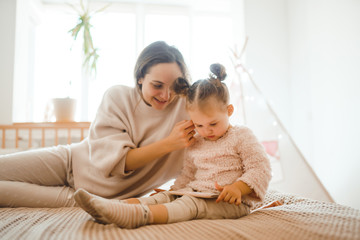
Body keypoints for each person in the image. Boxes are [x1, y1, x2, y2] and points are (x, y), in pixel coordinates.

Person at [73, 63, 273, 229]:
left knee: (190, 205)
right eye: (198, 125)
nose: (206, 131)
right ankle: (111, 208)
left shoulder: (242, 136)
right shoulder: (197, 141)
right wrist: (173, 190)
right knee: (165, 198)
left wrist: (238, 187)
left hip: (228, 201)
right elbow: (188, 173)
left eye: (213, 124)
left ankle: (139, 216)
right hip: (197, 190)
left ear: (229, 111)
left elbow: (261, 168)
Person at [0, 41, 196, 208]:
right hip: (69, 160)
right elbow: (119, 162)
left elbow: (220, 130)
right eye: (157, 85)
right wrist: (169, 143)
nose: (166, 95)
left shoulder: (189, 108)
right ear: (140, 78)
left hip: (92, 196)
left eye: (174, 87)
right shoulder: (118, 96)